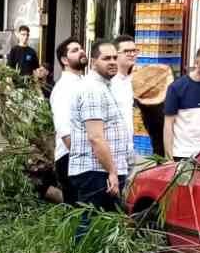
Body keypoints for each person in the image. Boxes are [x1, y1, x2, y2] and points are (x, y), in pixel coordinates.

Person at [68, 39, 129, 219]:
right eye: (106, 58)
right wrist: (112, 172)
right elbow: (96, 137)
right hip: (96, 172)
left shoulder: (104, 87)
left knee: (102, 228)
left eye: (114, 58)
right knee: (91, 229)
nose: (112, 62)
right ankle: (79, 249)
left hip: (101, 171)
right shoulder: (92, 90)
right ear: (94, 62)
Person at [50, 37, 85, 204]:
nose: (81, 51)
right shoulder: (64, 87)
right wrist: (80, 156)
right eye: (75, 50)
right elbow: (64, 129)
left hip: (82, 156)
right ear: (64, 60)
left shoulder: (83, 82)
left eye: (81, 48)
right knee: (78, 211)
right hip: (70, 156)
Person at [110, 33, 140, 144]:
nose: (132, 54)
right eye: (127, 51)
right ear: (115, 54)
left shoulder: (133, 80)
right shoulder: (108, 82)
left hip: (128, 144)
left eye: (134, 51)